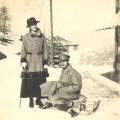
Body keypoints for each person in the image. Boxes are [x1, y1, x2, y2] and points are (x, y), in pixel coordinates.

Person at [20, 17, 48, 108]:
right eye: (32, 25)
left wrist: (45, 61)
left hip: (39, 61)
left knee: (40, 81)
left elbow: (45, 50)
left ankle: (39, 100)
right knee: (30, 82)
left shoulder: (42, 36)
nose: (34, 26)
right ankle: (31, 99)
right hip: (30, 60)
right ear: (29, 26)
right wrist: (23, 60)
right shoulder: (26, 37)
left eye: (35, 24)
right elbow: (23, 50)